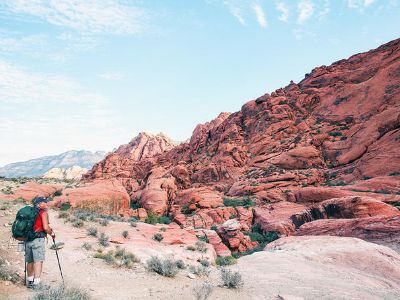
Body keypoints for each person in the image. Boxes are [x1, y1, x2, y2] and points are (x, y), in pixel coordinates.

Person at [25, 196, 55, 288]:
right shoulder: (43, 213)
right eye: (44, 202)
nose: (46, 204)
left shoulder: (29, 211)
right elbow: (46, 228)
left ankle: (30, 281)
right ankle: (36, 283)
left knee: (30, 261)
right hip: (38, 239)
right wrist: (52, 234)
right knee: (38, 261)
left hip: (27, 239)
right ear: (38, 204)